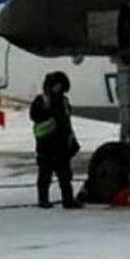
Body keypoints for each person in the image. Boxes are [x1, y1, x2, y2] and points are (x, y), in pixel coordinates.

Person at [30, 71, 82, 209]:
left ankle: (68, 200)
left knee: (65, 175)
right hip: (46, 145)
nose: (59, 89)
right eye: (57, 86)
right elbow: (35, 116)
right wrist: (47, 111)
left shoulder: (64, 101)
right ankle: (43, 200)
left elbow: (66, 121)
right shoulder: (42, 100)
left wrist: (72, 140)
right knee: (45, 175)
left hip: (61, 145)